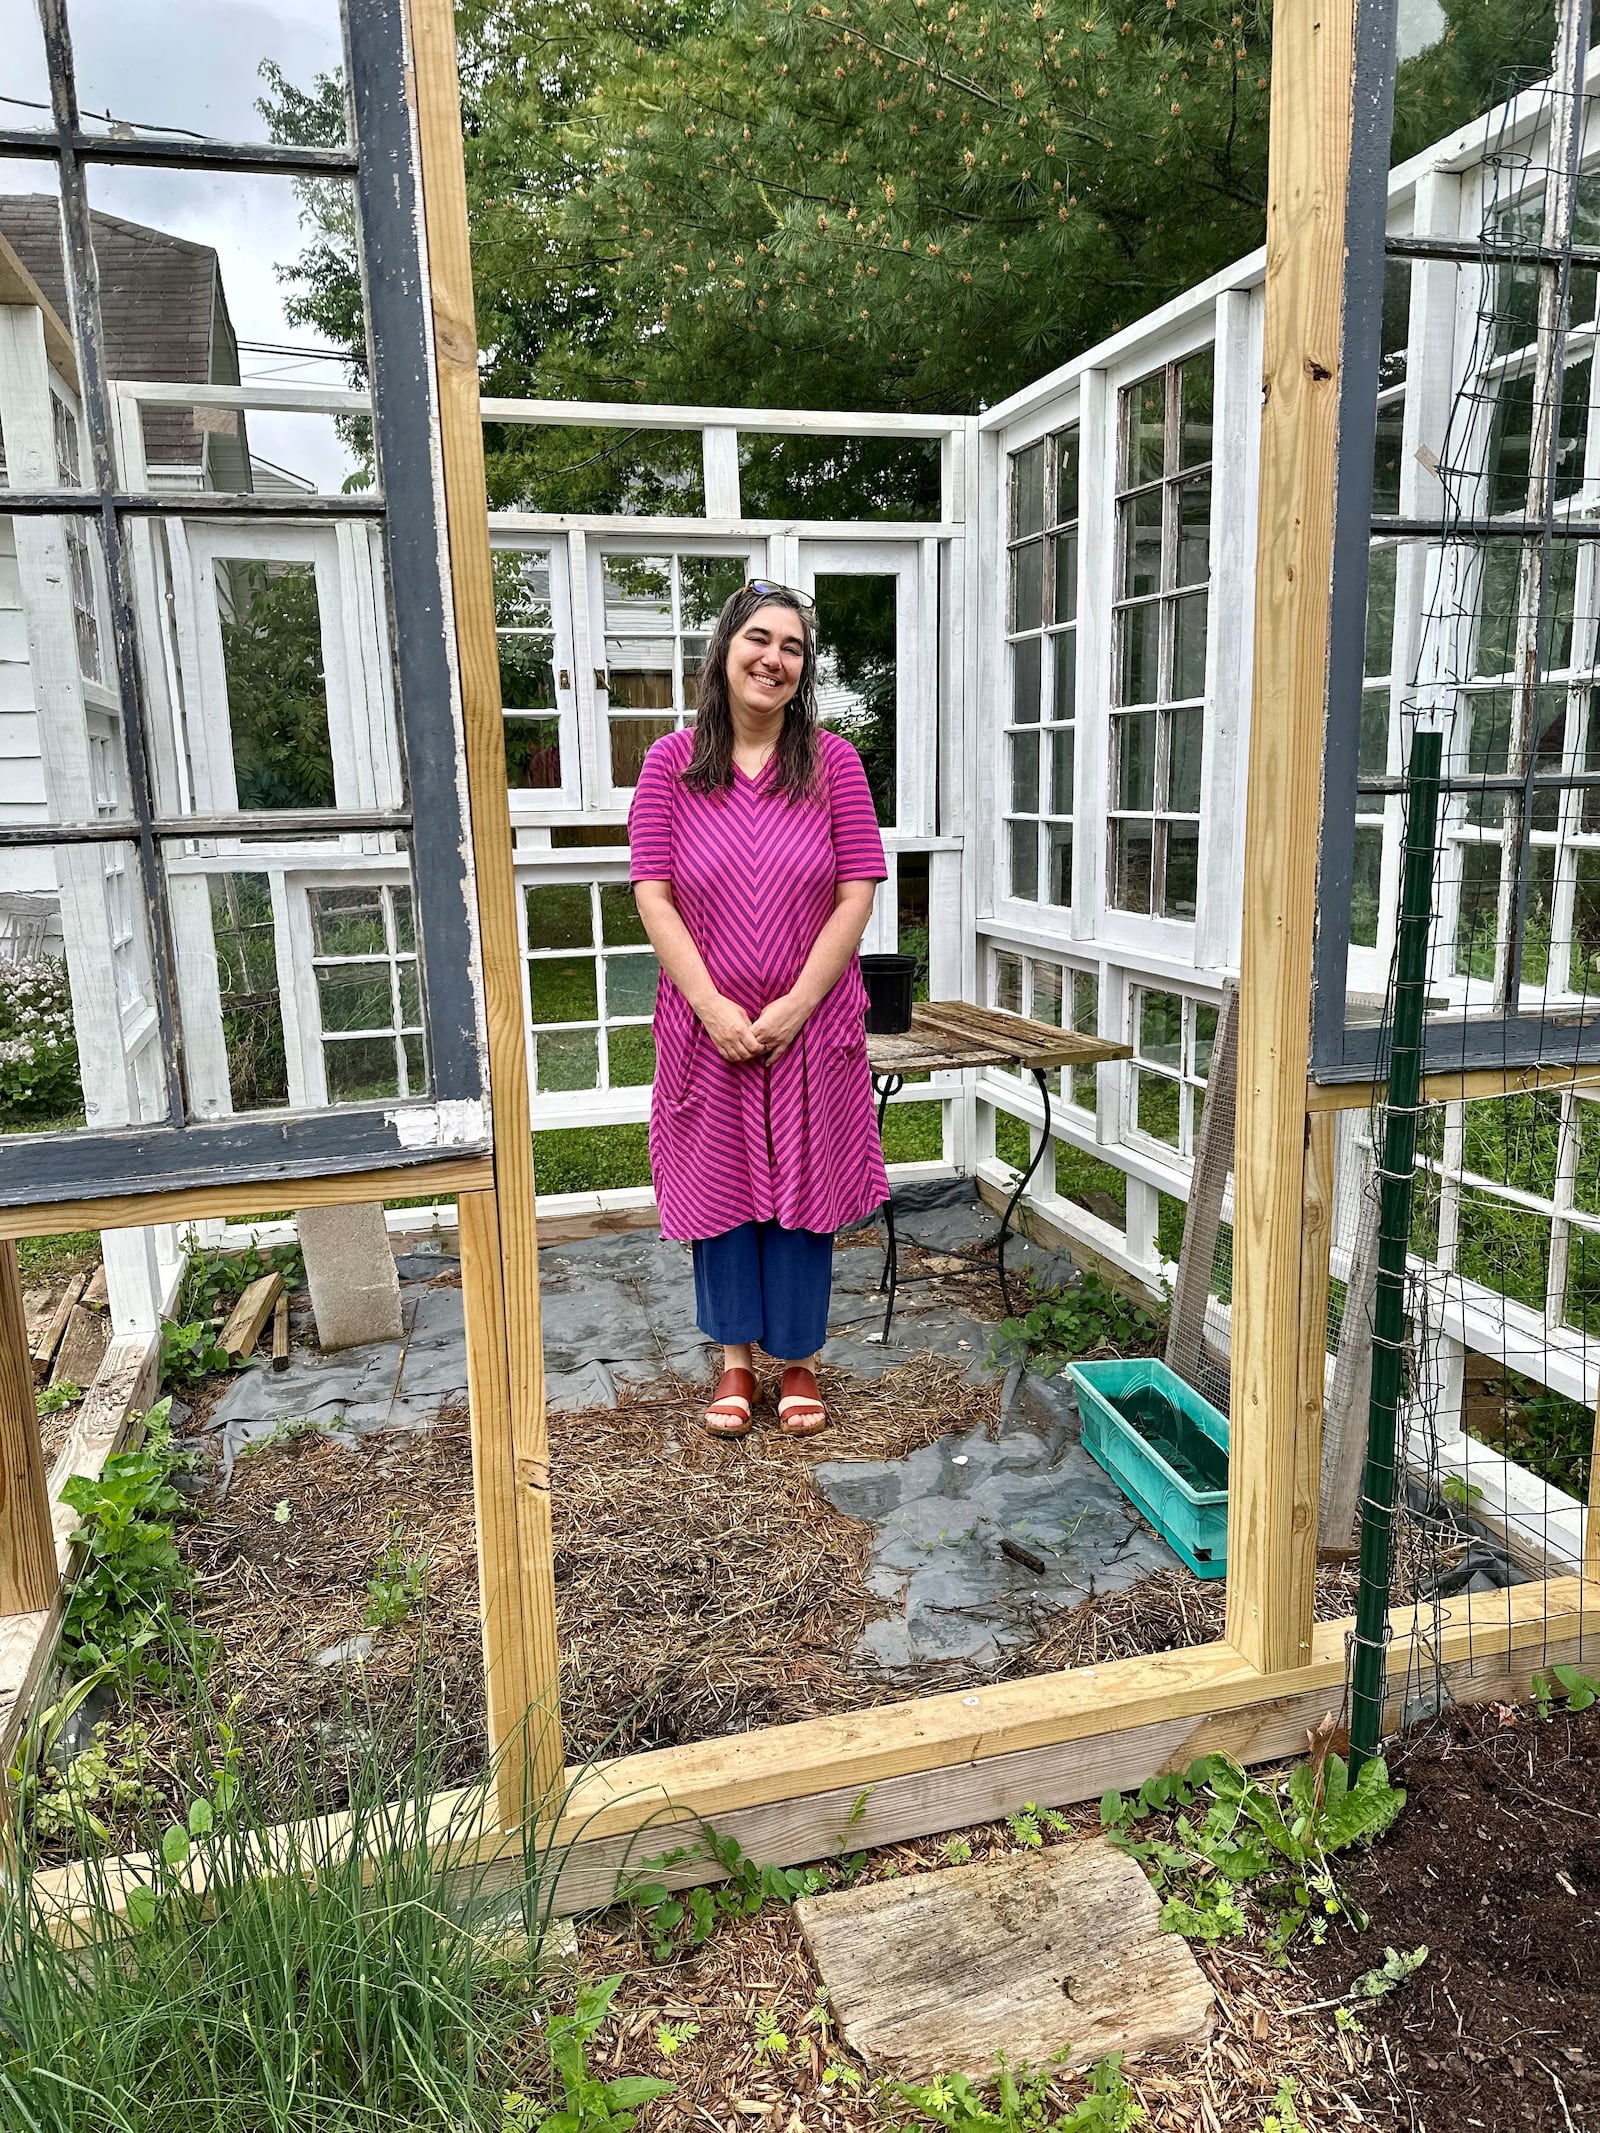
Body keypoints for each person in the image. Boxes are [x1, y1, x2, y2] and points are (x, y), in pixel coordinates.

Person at [628, 579, 889, 1437]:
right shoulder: (670, 765)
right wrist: (711, 1007)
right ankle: (736, 1362)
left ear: (802, 670)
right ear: (724, 649)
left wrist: (793, 1008)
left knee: (803, 1196)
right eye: (759, 639)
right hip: (708, 1030)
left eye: (793, 648)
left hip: (809, 1028)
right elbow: (654, 895)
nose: (774, 659)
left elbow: (856, 893)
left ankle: (801, 1361)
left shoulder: (834, 764)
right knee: (724, 1191)